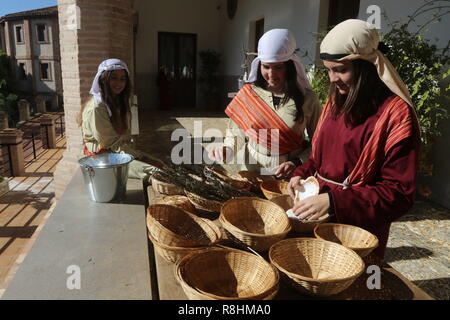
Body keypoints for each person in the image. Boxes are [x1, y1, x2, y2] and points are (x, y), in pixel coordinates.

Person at [288, 19, 421, 258]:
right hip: (318, 219)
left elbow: (399, 194)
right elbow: (319, 160)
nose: (332, 79)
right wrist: (300, 173)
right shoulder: (335, 103)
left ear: (367, 67)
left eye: (340, 70)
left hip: (358, 229)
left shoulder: (395, 116)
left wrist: (334, 201)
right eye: (328, 70)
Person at [208, 29, 322, 178]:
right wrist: (226, 149)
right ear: (259, 65)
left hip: (287, 176)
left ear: (290, 66)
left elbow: (319, 142)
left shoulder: (308, 99)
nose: (271, 74)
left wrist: (297, 162)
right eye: (266, 67)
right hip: (251, 172)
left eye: (278, 67)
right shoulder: (248, 94)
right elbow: (235, 135)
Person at [79, 58, 162, 179]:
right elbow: (111, 145)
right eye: (114, 78)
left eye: (123, 79)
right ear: (103, 79)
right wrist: (141, 157)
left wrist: (141, 156)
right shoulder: (97, 107)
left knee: (159, 163)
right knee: (155, 171)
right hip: (101, 158)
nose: (119, 83)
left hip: (115, 153)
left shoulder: (115, 101)